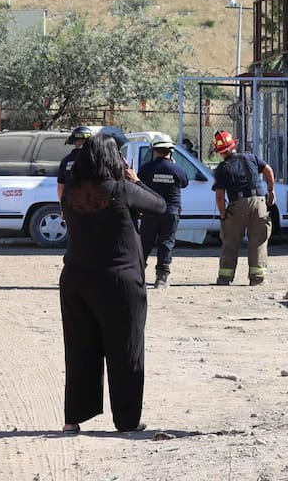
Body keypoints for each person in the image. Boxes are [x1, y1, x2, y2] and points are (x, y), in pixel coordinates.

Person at [59, 132, 166, 434]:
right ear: (114, 159)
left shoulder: (70, 192)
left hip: (76, 279)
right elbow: (158, 205)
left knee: (80, 349)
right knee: (126, 349)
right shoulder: (122, 189)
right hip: (119, 280)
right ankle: (127, 420)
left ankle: (73, 419)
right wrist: (134, 180)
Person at [211, 130, 277, 286]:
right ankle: (257, 278)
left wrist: (223, 216)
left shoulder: (222, 169)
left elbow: (220, 196)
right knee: (258, 240)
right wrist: (271, 191)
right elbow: (268, 170)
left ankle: (225, 278)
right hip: (259, 202)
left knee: (230, 242)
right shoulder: (251, 157)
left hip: (237, 204)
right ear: (234, 145)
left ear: (220, 152)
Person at [138, 134, 189, 289]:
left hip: (150, 211)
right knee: (166, 243)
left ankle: (137, 274)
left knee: (145, 243)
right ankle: (161, 278)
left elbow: (139, 184)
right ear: (170, 151)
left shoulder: (146, 169)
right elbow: (184, 183)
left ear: (154, 150)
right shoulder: (177, 169)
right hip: (171, 212)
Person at [57, 125, 93, 202]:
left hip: (71, 206)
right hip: (91, 206)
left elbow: (61, 187)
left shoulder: (65, 161)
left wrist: (63, 207)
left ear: (73, 141)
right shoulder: (96, 159)